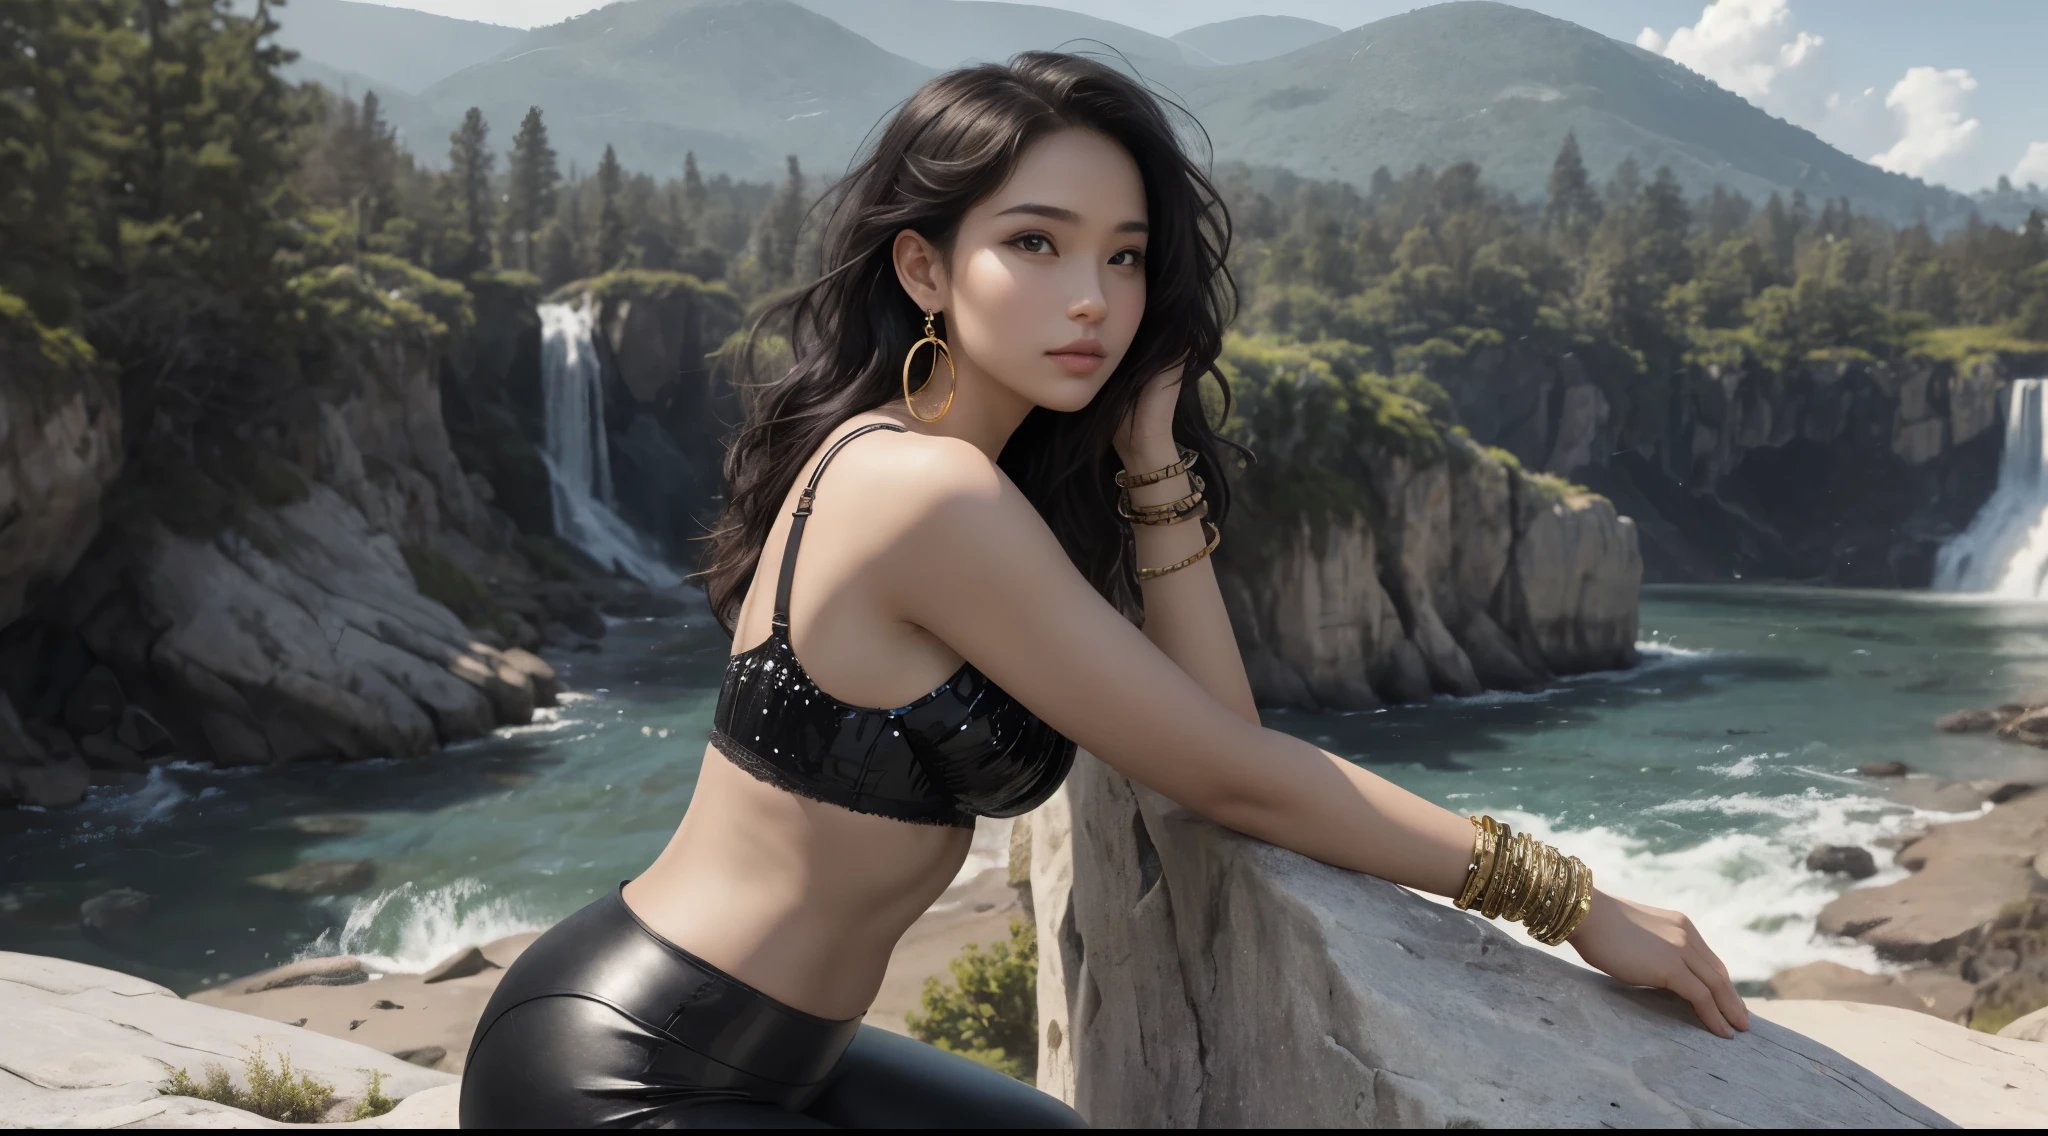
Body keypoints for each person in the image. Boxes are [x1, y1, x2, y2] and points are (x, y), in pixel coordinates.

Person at [458, 51, 1747, 1129]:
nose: (1094, 301)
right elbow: (1232, 775)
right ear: (922, 269)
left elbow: (1219, 735)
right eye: (1036, 243)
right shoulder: (925, 493)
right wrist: (1570, 900)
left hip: (778, 1050)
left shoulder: (940, 468)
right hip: (628, 1069)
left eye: (1126, 258)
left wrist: (1149, 457)